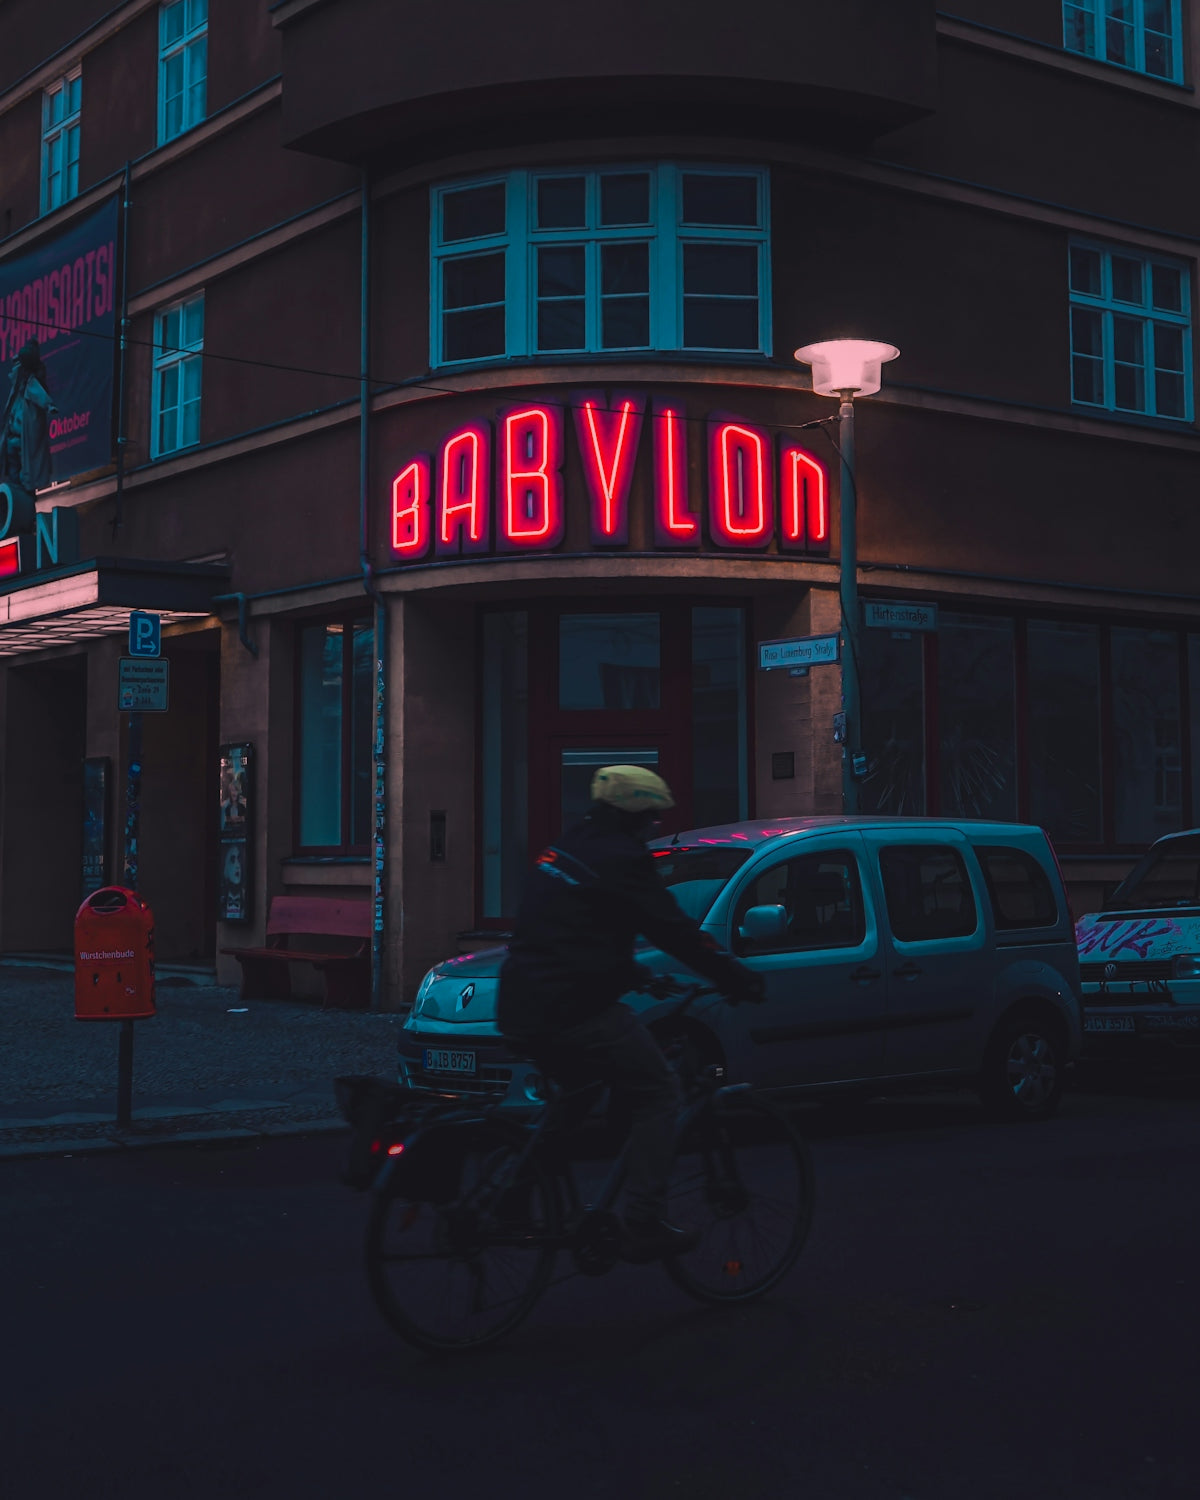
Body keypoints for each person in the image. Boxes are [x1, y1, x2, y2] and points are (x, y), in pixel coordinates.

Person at [498, 764, 765, 1262]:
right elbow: (673, 929)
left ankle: (513, 1198)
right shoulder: (624, 858)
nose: (654, 828)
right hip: (574, 1009)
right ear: (636, 816)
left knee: (576, 1097)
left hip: (522, 1003)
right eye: (653, 818)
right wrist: (734, 977)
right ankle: (642, 1218)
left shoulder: (567, 847)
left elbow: (574, 933)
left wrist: (638, 975)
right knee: (658, 1093)